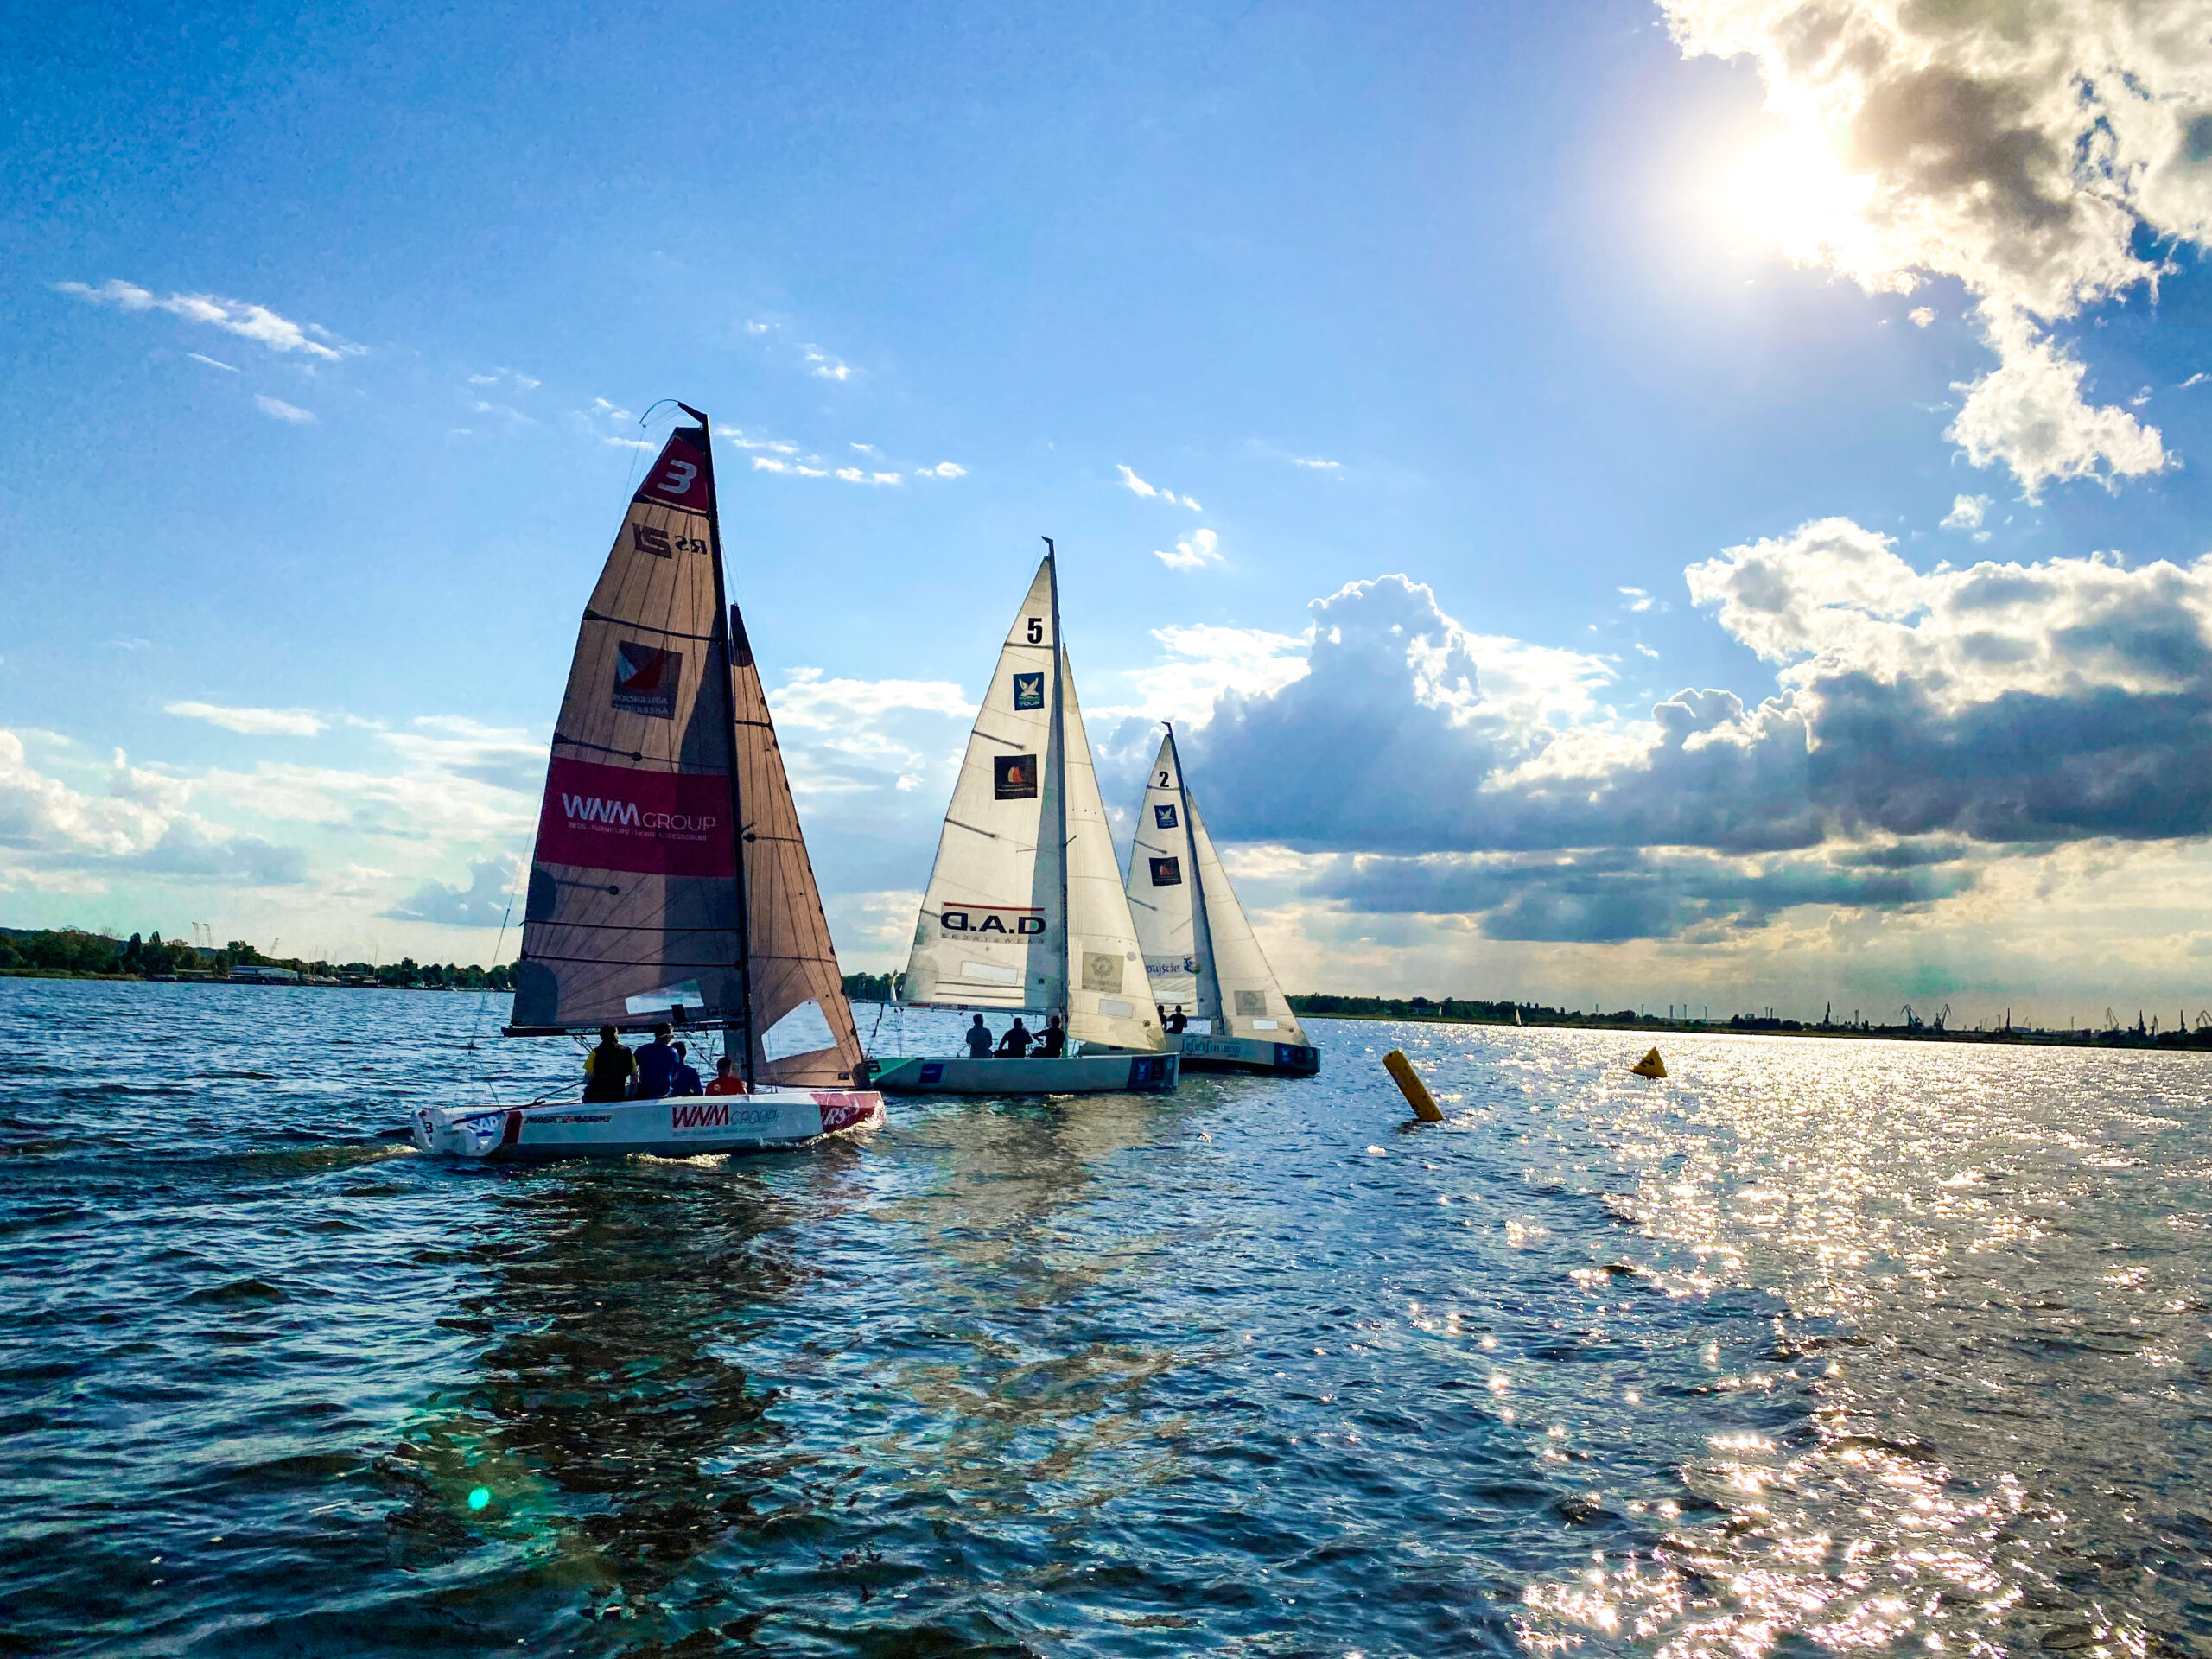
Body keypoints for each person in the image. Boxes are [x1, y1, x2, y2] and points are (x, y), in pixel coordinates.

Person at [582, 1026, 636, 1103]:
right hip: (618, 1094)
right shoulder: (627, 1051)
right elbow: (634, 1076)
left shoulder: (595, 1052)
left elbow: (588, 1076)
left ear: (601, 1036)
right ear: (615, 1035)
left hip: (596, 1096)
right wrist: (631, 1095)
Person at [633, 1022, 683, 1099]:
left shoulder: (642, 1049)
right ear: (667, 1037)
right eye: (671, 1036)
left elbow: (631, 1068)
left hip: (645, 1092)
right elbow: (675, 1075)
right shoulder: (674, 1052)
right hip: (663, 1093)